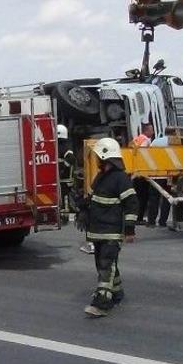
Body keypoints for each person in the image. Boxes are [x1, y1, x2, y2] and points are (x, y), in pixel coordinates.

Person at [76, 138, 139, 318]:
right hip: (97, 232)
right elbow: (95, 199)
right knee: (104, 264)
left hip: (111, 233)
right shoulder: (101, 178)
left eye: (99, 157)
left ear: (106, 157)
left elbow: (132, 204)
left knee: (106, 265)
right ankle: (117, 292)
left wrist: (129, 230)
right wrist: (83, 208)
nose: (97, 161)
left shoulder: (121, 179)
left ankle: (102, 302)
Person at [132, 123, 154, 224]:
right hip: (142, 172)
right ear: (146, 131)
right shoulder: (145, 140)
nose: (153, 132)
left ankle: (135, 217)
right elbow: (144, 155)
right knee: (143, 197)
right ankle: (139, 218)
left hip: (134, 171)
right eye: (151, 130)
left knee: (136, 196)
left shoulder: (136, 139)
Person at [57, 124, 76, 216]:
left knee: (64, 192)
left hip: (64, 176)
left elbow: (71, 159)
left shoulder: (64, 146)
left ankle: (65, 209)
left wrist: (63, 168)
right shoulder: (66, 144)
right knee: (64, 192)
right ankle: (64, 208)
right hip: (62, 176)